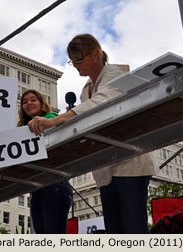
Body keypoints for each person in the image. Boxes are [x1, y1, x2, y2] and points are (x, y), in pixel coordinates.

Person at [28, 34, 156, 234]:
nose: (76, 66)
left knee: (134, 228)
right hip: (105, 170)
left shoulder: (116, 75)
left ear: (95, 54)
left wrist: (54, 121)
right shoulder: (85, 90)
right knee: (114, 230)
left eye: (79, 59)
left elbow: (100, 103)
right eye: (73, 62)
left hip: (129, 164)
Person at [18, 89, 73, 234]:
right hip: (37, 190)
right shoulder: (21, 131)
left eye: (33, 100)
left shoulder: (52, 117)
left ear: (41, 103)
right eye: (25, 102)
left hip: (55, 185)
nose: (29, 103)